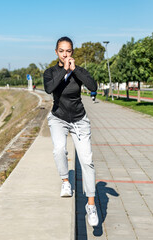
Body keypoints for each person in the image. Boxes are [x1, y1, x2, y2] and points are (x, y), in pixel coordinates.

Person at [43, 36, 99, 227]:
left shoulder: (78, 71)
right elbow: (50, 88)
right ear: (56, 52)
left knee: (87, 161)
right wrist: (64, 70)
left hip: (79, 120)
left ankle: (91, 204)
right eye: (61, 51)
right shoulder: (50, 72)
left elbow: (93, 87)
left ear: (72, 52)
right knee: (59, 149)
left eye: (68, 51)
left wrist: (75, 70)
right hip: (58, 118)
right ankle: (65, 181)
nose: (65, 54)